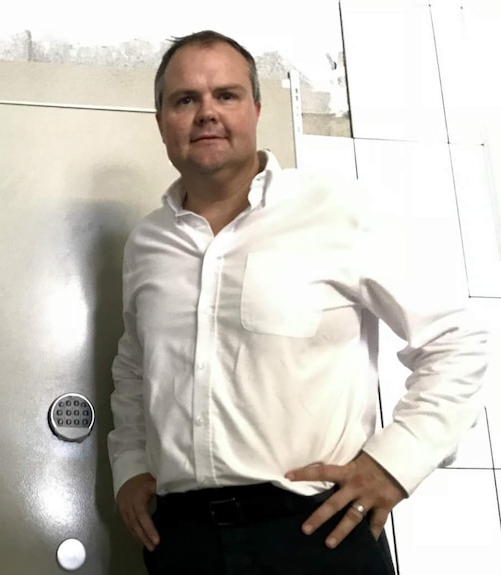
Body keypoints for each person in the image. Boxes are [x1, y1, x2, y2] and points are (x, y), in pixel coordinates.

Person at [107, 30, 488, 574]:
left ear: (257, 109)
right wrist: (129, 467)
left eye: (227, 95)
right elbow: (134, 371)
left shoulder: (339, 209)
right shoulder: (147, 244)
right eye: (185, 99)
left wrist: (395, 463)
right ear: (161, 120)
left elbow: (457, 338)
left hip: (318, 532)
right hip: (183, 541)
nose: (206, 113)